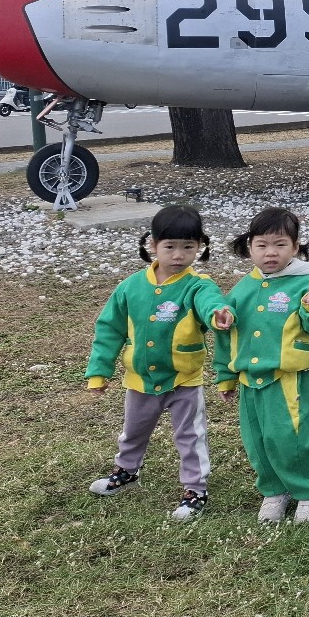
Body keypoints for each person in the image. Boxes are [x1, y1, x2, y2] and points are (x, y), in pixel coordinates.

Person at [84, 205, 233, 520]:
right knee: (133, 431)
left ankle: (195, 490)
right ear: (153, 245)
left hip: (184, 379)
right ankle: (126, 471)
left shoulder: (198, 285)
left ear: (200, 246)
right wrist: (99, 371)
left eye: (188, 247)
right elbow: (109, 328)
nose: (179, 255)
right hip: (140, 380)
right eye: (170, 247)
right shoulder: (130, 287)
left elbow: (210, 303)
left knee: (190, 436)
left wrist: (217, 314)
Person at [215, 207, 309, 524]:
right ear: (250, 247)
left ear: (295, 247)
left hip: (289, 379)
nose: (270, 252)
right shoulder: (242, 288)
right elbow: (227, 336)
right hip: (250, 381)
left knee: (290, 438)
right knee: (257, 441)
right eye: (262, 245)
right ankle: (274, 490)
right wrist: (226, 376)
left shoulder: (306, 283)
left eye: (280, 244)